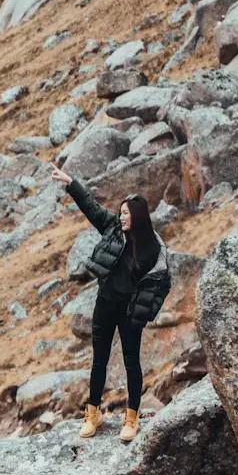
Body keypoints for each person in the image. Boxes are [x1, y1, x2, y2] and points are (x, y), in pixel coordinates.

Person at [48, 163, 171, 442]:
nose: (121, 216)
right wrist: (71, 184)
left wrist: (144, 311)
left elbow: (162, 283)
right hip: (105, 305)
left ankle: (132, 417)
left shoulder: (153, 247)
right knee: (99, 360)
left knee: (131, 363)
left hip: (130, 313)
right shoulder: (112, 229)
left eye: (126, 213)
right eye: (121, 212)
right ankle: (93, 414)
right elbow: (91, 207)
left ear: (138, 217)